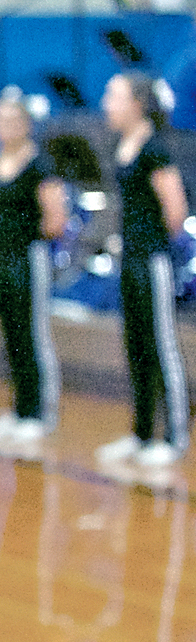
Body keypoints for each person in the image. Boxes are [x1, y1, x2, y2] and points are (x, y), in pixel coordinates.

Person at [95, 71, 191, 468]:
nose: (106, 103)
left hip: (152, 261)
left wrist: (152, 247)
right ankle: (141, 433)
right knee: (135, 345)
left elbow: (176, 210)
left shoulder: (155, 149)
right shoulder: (124, 145)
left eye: (113, 95)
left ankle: (173, 436)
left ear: (137, 103)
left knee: (161, 346)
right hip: (131, 260)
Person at [0, 94, 68, 449]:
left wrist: (27, 240)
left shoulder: (41, 165)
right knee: (12, 331)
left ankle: (40, 413)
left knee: (33, 333)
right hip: (3, 259)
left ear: (25, 124)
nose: (1, 126)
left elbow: (55, 220)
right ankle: (20, 408)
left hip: (30, 258)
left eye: (9, 120)